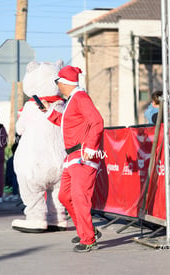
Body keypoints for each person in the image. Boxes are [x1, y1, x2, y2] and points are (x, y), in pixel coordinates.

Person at [40, 65, 104, 252]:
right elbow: (68, 122)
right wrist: (49, 112)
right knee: (65, 196)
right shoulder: (74, 100)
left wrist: (91, 147)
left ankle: (88, 238)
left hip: (82, 156)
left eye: (57, 81)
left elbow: (98, 122)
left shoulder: (80, 98)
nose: (57, 85)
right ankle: (87, 230)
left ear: (64, 82)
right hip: (73, 157)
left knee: (78, 197)